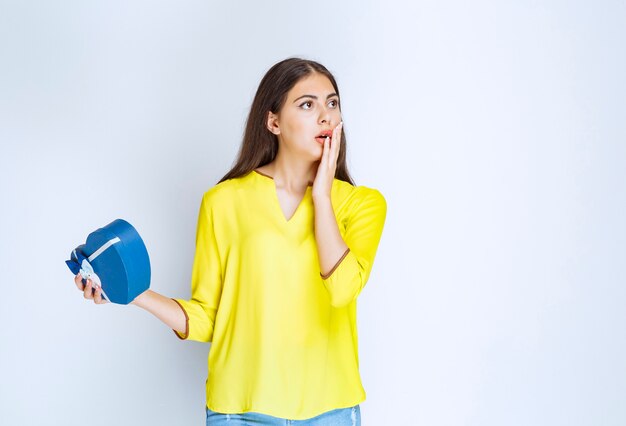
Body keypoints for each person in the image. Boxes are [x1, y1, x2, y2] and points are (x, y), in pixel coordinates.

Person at [75, 57, 387, 425]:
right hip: (237, 412)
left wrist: (321, 196)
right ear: (273, 122)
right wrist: (136, 293)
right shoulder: (222, 202)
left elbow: (342, 290)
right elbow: (209, 317)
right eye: (308, 104)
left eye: (332, 103)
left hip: (330, 410)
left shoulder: (362, 204)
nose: (326, 117)